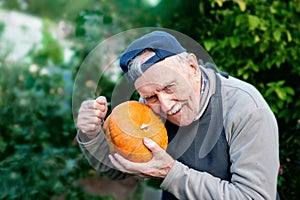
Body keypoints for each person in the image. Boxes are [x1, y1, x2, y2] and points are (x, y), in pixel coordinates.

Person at [76, 31, 280, 199]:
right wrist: (91, 134)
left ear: (192, 66)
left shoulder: (246, 108)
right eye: (151, 96)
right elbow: (119, 167)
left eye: (169, 87)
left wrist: (170, 173)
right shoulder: (148, 109)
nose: (165, 105)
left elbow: (255, 197)